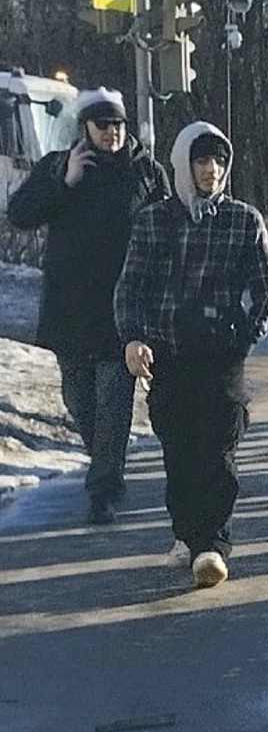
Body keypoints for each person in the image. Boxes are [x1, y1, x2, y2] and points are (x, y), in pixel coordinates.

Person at [115, 122, 268, 589]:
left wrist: (248, 335)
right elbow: (131, 286)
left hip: (222, 354)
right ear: (184, 164)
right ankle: (188, 535)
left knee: (219, 450)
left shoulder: (243, 220)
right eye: (202, 161)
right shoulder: (154, 220)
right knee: (181, 452)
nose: (212, 170)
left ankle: (213, 544)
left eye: (220, 161)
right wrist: (133, 337)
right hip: (168, 353)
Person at [4, 88, 169, 524]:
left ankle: (104, 490)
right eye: (102, 126)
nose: (111, 133)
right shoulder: (58, 164)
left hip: (124, 309)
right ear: (86, 128)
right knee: (78, 400)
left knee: (114, 403)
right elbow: (18, 214)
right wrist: (64, 181)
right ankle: (105, 466)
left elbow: (168, 234)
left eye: (117, 125)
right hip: (70, 308)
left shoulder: (146, 172)